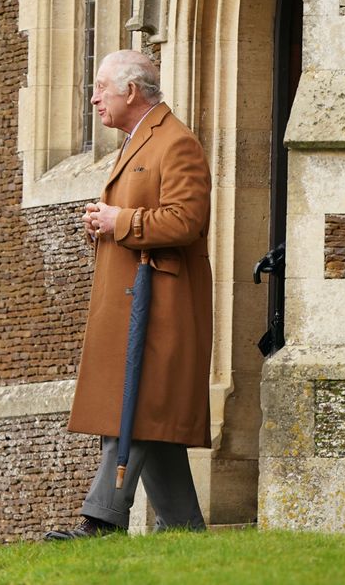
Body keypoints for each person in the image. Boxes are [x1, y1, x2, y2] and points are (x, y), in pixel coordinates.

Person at [45, 49, 212, 539]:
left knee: (134, 407)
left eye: (101, 88)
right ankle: (184, 530)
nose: (94, 98)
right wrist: (103, 222)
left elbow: (186, 220)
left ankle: (101, 520)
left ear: (131, 92)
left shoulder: (176, 142)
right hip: (133, 304)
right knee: (149, 419)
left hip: (161, 309)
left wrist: (123, 221)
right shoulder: (138, 141)